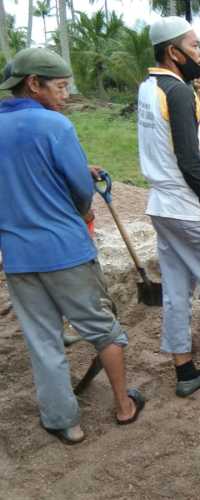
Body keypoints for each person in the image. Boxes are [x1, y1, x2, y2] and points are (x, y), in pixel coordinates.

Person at [0, 48, 145, 444]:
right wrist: (80, 201)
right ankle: (123, 406)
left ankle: (65, 421)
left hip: (17, 255)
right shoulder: (55, 125)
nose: (65, 94)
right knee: (103, 329)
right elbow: (81, 192)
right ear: (34, 83)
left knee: (42, 339)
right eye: (61, 86)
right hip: (66, 250)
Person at [137, 17, 200, 397]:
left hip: (161, 206)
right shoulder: (178, 93)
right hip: (189, 207)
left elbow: (184, 141)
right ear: (173, 52)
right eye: (194, 46)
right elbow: (189, 161)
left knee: (176, 290)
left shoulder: (150, 88)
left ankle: (186, 371)